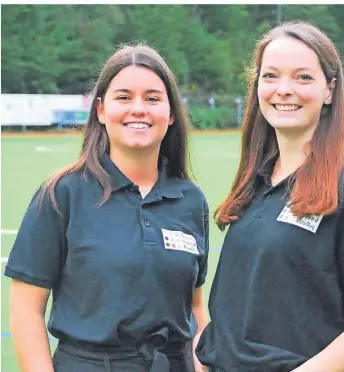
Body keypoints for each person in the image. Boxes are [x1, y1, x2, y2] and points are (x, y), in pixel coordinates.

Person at [195, 21, 344, 372]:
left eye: (303, 77)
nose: (283, 89)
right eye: (270, 76)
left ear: (330, 90)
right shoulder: (255, 184)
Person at [5, 44, 209, 372]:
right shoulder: (61, 194)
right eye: (124, 97)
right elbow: (26, 310)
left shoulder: (191, 200)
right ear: (101, 110)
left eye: (153, 98)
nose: (138, 109)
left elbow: (195, 308)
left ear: (170, 114)